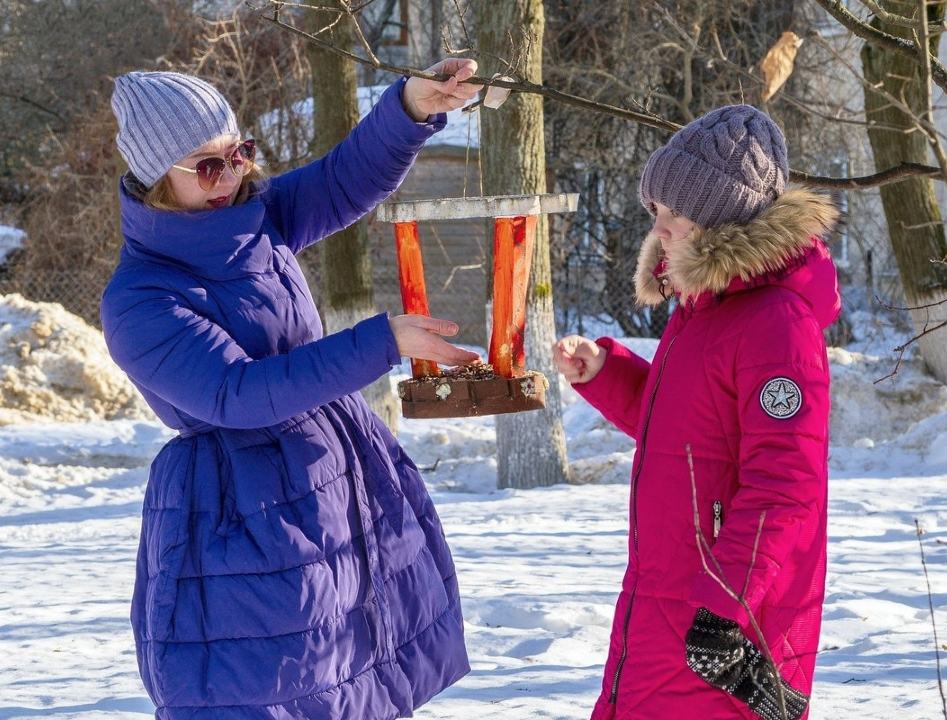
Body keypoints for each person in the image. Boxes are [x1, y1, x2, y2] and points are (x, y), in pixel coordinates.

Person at [102, 59, 481, 719]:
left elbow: (343, 181)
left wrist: (411, 108)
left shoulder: (254, 215)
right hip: (243, 516)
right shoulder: (140, 299)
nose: (234, 176)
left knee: (361, 675)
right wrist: (380, 342)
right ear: (157, 178)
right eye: (208, 167)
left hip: (336, 478)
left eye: (239, 153)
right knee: (286, 689)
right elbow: (238, 393)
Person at [553, 105, 840, 720]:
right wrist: (607, 374)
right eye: (655, 212)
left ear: (719, 220)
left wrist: (722, 603)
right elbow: (691, 435)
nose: (659, 230)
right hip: (664, 595)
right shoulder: (702, 310)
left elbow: (784, 486)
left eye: (673, 214)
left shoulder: (775, 325)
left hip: (721, 616)